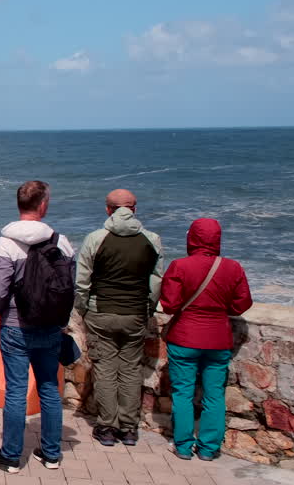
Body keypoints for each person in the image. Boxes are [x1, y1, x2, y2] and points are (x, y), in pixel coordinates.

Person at [0, 180, 75, 474]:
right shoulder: (61, 242)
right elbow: (69, 288)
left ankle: (11, 455)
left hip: (15, 324)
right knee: (49, 388)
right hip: (50, 326)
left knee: (15, 390)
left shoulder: (7, 242)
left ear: (18, 204)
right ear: (43, 205)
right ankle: (51, 453)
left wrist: (1, 310)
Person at [75, 189, 164, 447]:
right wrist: (148, 308)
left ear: (108, 210)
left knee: (104, 368)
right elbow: (156, 282)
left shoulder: (96, 239)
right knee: (130, 369)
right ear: (134, 209)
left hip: (101, 310)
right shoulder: (151, 240)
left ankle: (106, 426)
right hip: (135, 312)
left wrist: (83, 308)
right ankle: (128, 428)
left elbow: (82, 281)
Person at [161, 219, 252, 462]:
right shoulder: (233, 268)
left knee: (183, 393)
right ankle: (209, 448)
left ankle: (183, 445)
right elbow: (242, 303)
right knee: (214, 395)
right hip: (218, 338)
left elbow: (169, 305)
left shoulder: (180, 266)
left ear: (191, 238)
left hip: (184, 336)